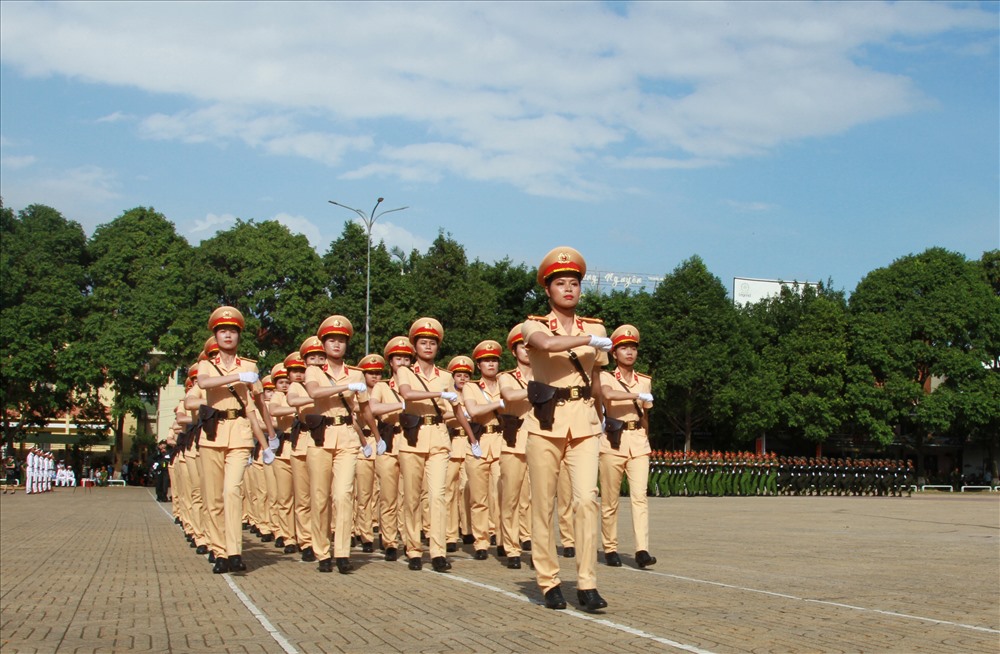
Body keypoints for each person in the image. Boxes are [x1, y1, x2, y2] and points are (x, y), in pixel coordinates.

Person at [521, 246, 612, 612]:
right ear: (548, 289)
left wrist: (604, 415)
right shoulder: (534, 325)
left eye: (574, 282)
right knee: (543, 505)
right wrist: (585, 341)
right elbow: (545, 344)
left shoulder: (596, 327)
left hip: (585, 422)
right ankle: (548, 580)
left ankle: (587, 583)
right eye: (560, 283)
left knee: (586, 500)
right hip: (546, 422)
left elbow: (595, 377)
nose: (568, 289)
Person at [197, 306, 276, 574]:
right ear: (215, 336)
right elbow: (205, 384)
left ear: (239, 335)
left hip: (240, 431)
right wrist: (237, 377)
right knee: (213, 497)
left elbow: (255, 406)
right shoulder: (207, 364)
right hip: (213, 432)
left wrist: (267, 438)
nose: (227, 336)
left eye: (232, 331)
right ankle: (218, 550)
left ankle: (233, 552)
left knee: (232, 491)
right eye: (222, 331)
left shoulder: (251, 366)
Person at [396, 318, 478, 572]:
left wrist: (472, 438)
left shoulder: (445, 376)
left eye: (432, 343)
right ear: (415, 346)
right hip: (412, 438)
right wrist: (438, 394)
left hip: (439, 437)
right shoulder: (405, 371)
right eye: (423, 342)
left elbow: (457, 409)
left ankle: (438, 551)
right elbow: (407, 393)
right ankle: (412, 549)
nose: (428, 347)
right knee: (411, 498)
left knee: (438, 496)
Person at [301, 315, 380, 574]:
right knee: (320, 497)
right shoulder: (314, 370)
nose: (336, 345)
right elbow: (314, 392)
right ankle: (321, 550)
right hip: (322, 435)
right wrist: (346, 386)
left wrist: (376, 437)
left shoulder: (357, 373)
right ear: (323, 344)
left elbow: (366, 409)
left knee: (344, 495)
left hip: (347, 434)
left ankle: (342, 552)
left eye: (341, 341)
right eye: (331, 340)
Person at [598, 324, 657, 569]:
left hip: (638, 442)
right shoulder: (605, 377)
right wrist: (635, 397)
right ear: (614, 353)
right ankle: (610, 547)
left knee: (639, 497)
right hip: (613, 442)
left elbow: (645, 416)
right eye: (624, 348)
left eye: (633, 348)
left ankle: (641, 549)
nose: (629, 352)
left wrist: (646, 436)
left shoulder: (644, 381)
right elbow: (608, 395)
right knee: (610, 500)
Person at [369, 337, 412, 562]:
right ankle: (389, 540)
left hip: (410, 440)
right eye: (398, 358)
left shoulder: (416, 384)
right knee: (388, 496)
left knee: (410, 495)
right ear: (390, 362)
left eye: (406, 358)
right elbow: (374, 408)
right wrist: (401, 404)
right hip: (388, 440)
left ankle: (408, 538)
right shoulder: (382, 386)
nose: (402, 362)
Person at [463, 341, 506, 561]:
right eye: (486, 360)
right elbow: (473, 410)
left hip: (501, 441)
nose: (491, 364)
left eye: (494, 360)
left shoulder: (505, 383)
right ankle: (481, 542)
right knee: (479, 498)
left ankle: (502, 540)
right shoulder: (471, 387)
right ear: (479, 365)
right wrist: (499, 403)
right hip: (478, 443)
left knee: (502, 496)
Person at [497, 324, 534, 569]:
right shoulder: (506, 376)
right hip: (513, 442)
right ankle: (511, 548)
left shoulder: (546, 373)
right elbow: (509, 396)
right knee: (511, 498)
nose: (527, 351)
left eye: (530, 346)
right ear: (514, 350)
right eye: (522, 346)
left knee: (535, 500)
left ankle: (535, 547)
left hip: (540, 441)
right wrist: (537, 389)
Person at [445, 355, 475, 552]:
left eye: (465, 375)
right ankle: (449, 534)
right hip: (453, 442)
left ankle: (468, 530)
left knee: (469, 489)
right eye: (459, 375)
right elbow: (443, 415)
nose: (462, 379)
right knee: (449, 490)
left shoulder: (475, 393)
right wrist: (461, 414)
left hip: (472, 444)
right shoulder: (448, 395)